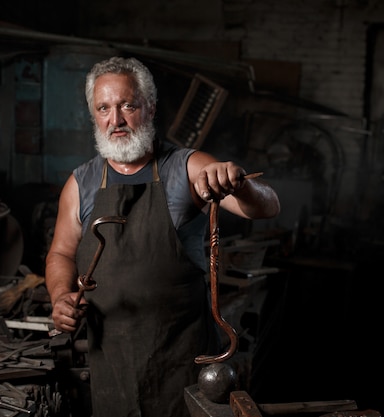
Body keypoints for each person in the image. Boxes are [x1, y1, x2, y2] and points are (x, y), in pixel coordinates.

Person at [45, 56, 280, 417]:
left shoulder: (184, 168)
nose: (116, 119)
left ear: (150, 108)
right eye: (104, 108)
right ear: (94, 115)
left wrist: (237, 182)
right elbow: (61, 253)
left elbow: (267, 207)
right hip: (112, 362)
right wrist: (61, 294)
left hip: (182, 361)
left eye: (128, 105)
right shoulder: (81, 183)